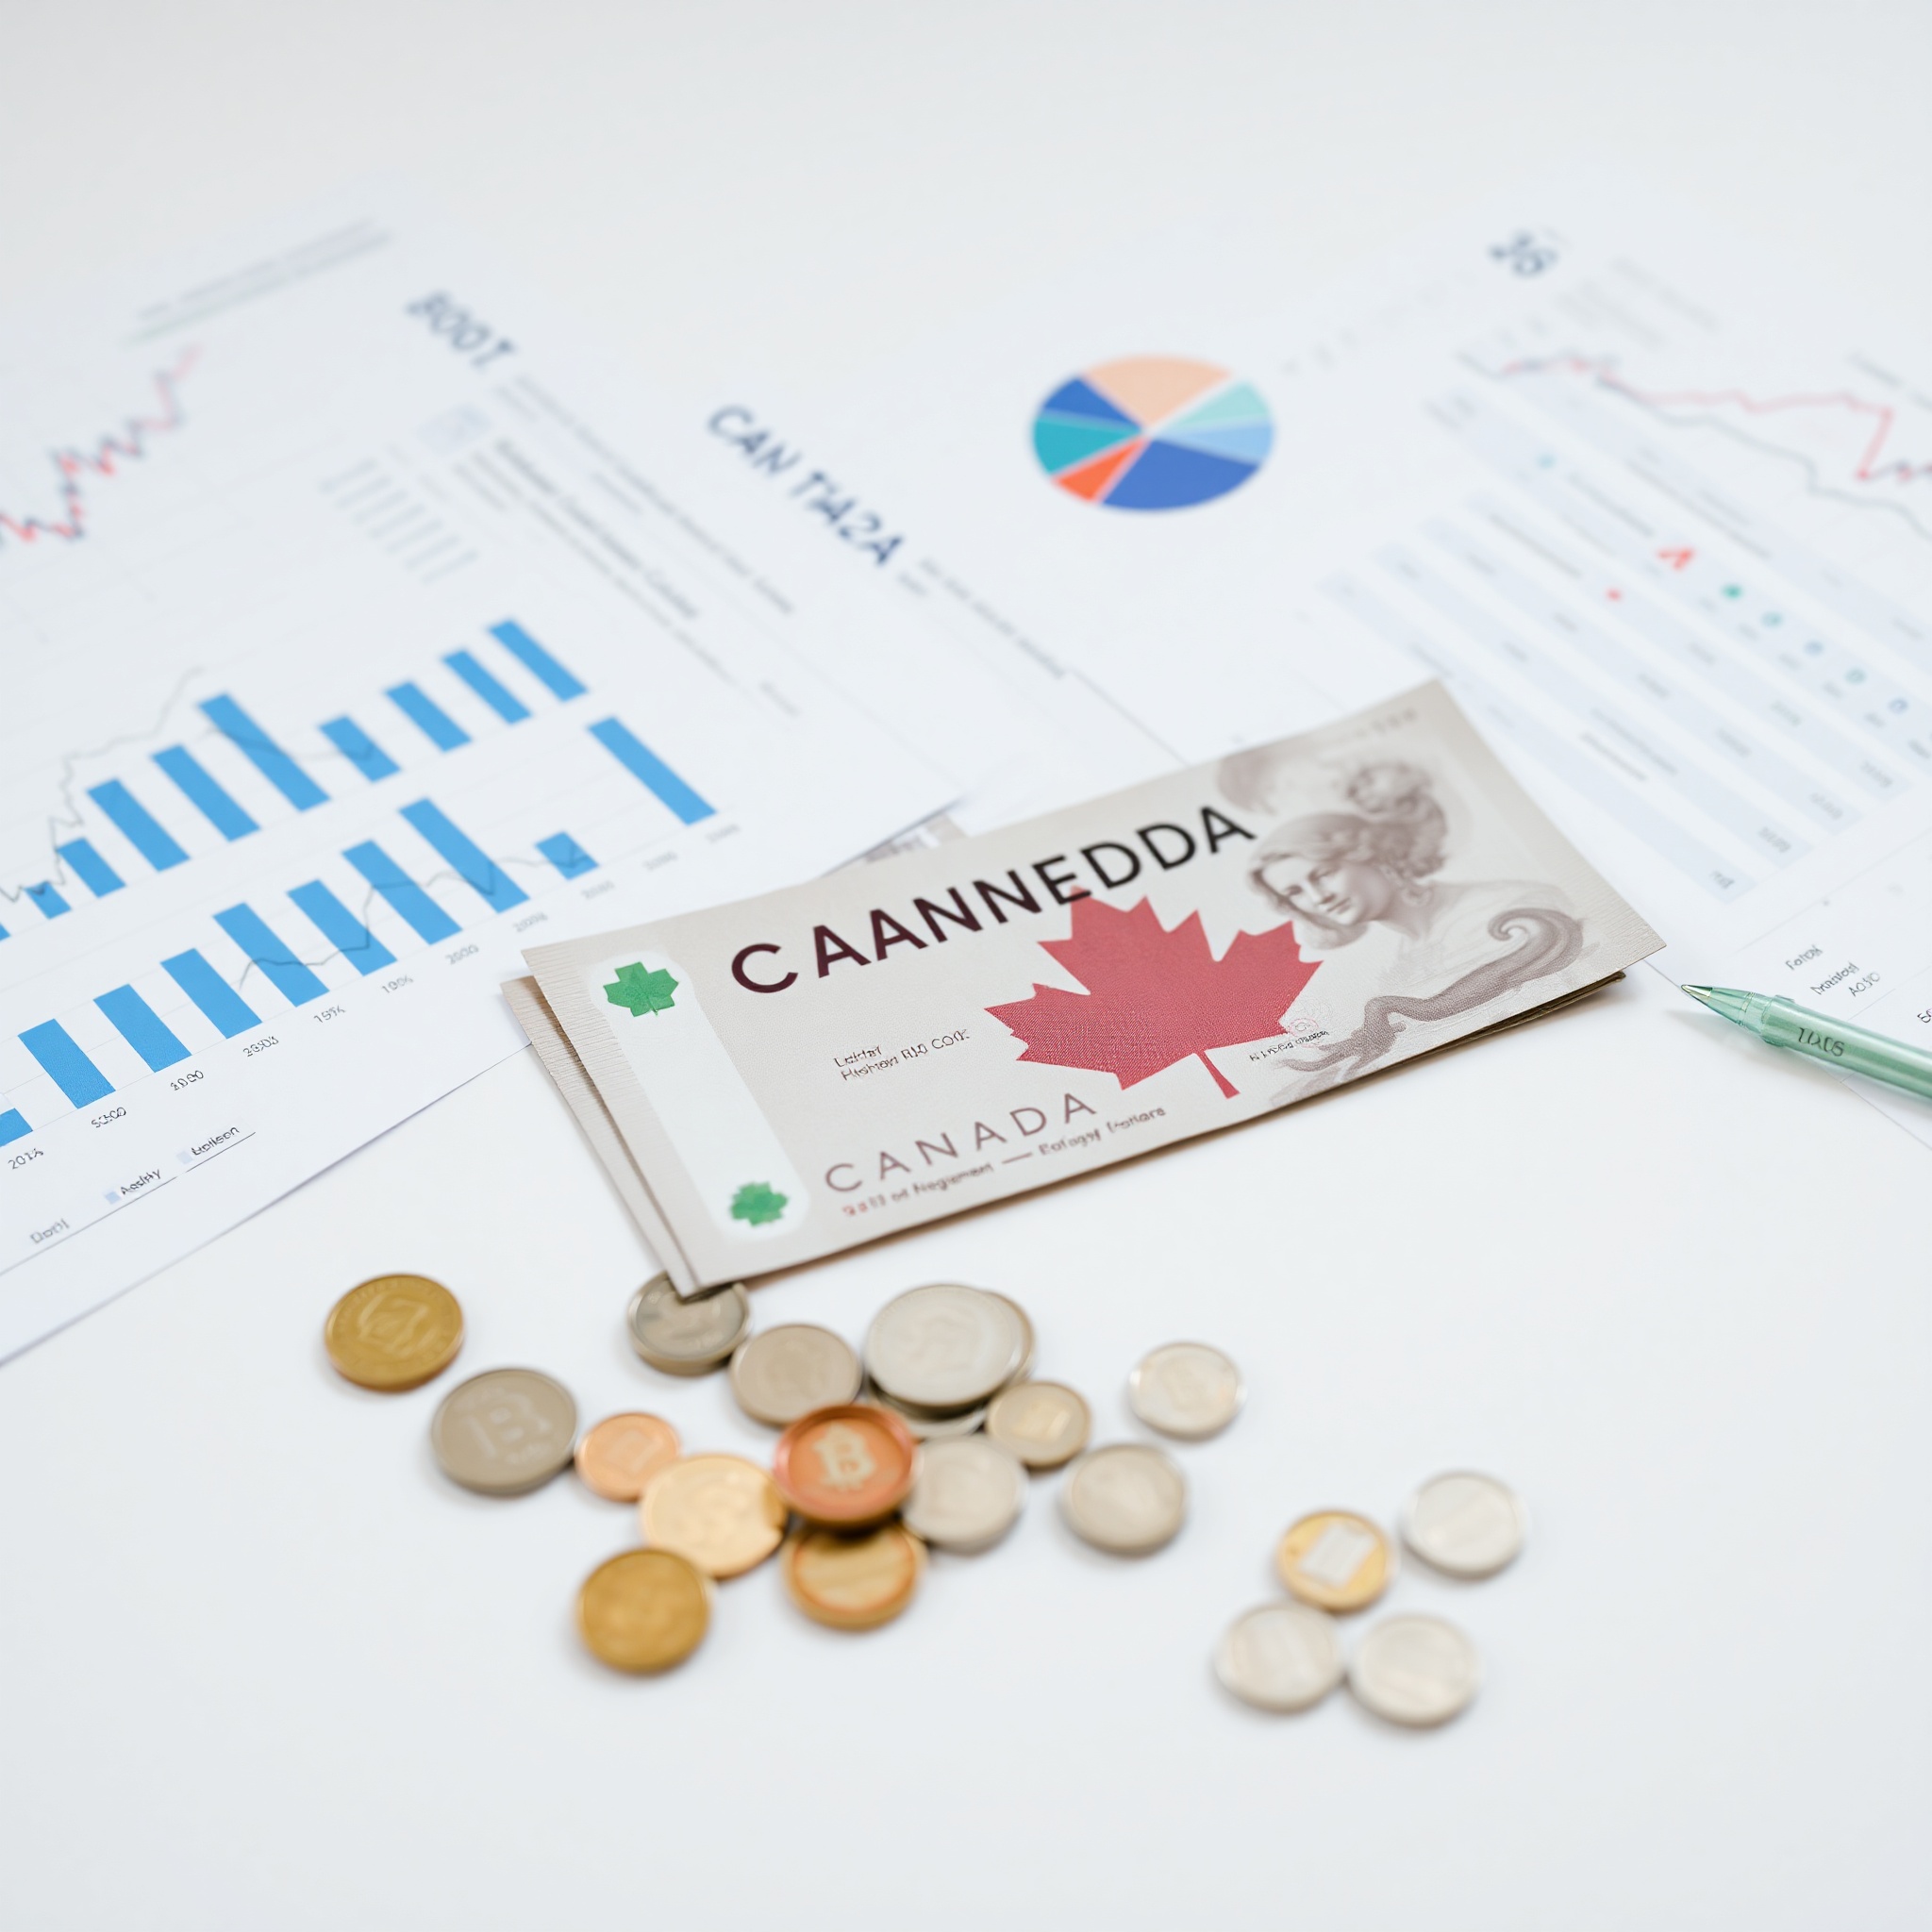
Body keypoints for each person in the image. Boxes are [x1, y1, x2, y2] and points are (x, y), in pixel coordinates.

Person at [1243, 761, 1586, 1092]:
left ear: (1372, 854)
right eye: (1294, 893)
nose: (1318, 898)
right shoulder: (1407, 952)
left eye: (1324, 873)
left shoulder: (1505, 906)